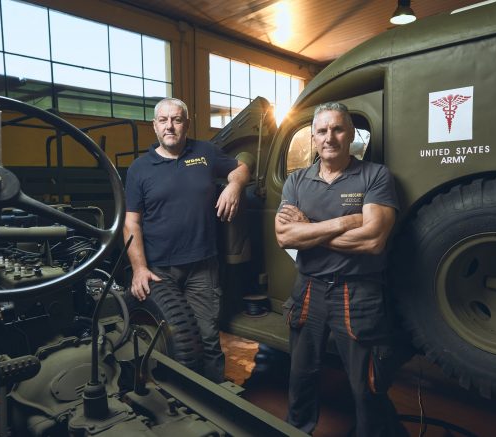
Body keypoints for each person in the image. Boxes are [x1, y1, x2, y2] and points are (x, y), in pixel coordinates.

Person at [275, 102, 409, 436]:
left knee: (366, 384)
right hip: (308, 290)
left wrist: (309, 230)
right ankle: (298, 430)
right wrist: (345, 221)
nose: (329, 137)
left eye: (337, 129)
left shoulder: (375, 175)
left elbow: (373, 240)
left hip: (358, 291)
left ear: (350, 134)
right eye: (322, 130)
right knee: (300, 377)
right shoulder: (296, 180)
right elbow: (284, 236)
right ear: (313, 137)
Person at [123, 97, 250, 383]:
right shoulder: (140, 169)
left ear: (186, 124)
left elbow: (241, 167)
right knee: (173, 337)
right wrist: (139, 269)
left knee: (207, 337)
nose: (170, 126)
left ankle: (217, 400)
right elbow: (132, 222)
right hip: (158, 270)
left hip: (202, 267)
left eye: (177, 120)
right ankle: (176, 401)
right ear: (155, 126)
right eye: (164, 120)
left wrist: (234, 185)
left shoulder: (205, 152)